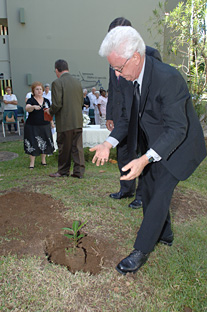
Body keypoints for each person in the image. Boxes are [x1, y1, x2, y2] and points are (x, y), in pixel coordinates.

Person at [90, 26, 207, 275]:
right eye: (113, 69)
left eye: (119, 68)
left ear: (135, 57)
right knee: (149, 188)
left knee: (159, 194)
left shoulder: (168, 78)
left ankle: (140, 250)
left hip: (180, 146)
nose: (117, 75)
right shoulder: (128, 79)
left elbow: (177, 129)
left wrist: (145, 158)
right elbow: (125, 118)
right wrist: (107, 143)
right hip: (153, 143)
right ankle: (165, 235)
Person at [106, 17, 162, 209]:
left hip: (142, 117)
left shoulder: (151, 54)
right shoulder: (113, 58)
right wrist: (110, 115)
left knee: (142, 154)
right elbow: (113, 89)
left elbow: (156, 90)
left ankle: (141, 195)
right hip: (122, 118)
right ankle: (126, 188)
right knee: (123, 153)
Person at [45, 59, 85, 178]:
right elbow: (81, 101)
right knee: (77, 148)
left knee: (64, 147)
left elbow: (57, 104)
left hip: (65, 122)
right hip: (77, 120)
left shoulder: (57, 82)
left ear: (57, 70)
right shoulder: (77, 82)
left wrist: (50, 111)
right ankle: (79, 172)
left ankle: (63, 171)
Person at [24, 81, 54, 169]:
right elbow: (27, 108)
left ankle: (43, 160)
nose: (39, 91)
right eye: (37, 89)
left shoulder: (47, 100)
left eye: (40, 89)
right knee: (32, 143)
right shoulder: (31, 100)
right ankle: (32, 163)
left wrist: (52, 123)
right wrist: (33, 107)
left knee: (44, 142)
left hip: (45, 125)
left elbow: (50, 113)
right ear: (33, 90)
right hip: (32, 125)